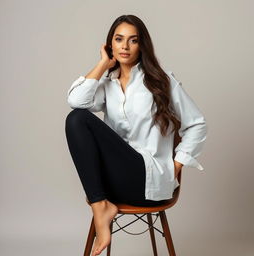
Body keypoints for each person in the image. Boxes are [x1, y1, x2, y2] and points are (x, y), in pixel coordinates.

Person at [65, 14, 207, 256]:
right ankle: (101, 206)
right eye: (119, 39)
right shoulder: (107, 86)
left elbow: (197, 124)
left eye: (133, 40)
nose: (125, 46)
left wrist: (176, 165)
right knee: (76, 118)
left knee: (78, 119)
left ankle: (100, 207)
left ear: (142, 45)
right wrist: (102, 65)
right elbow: (75, 101)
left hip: (148, 182)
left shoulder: (161, 81)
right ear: (110, 44)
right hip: (115, 185)